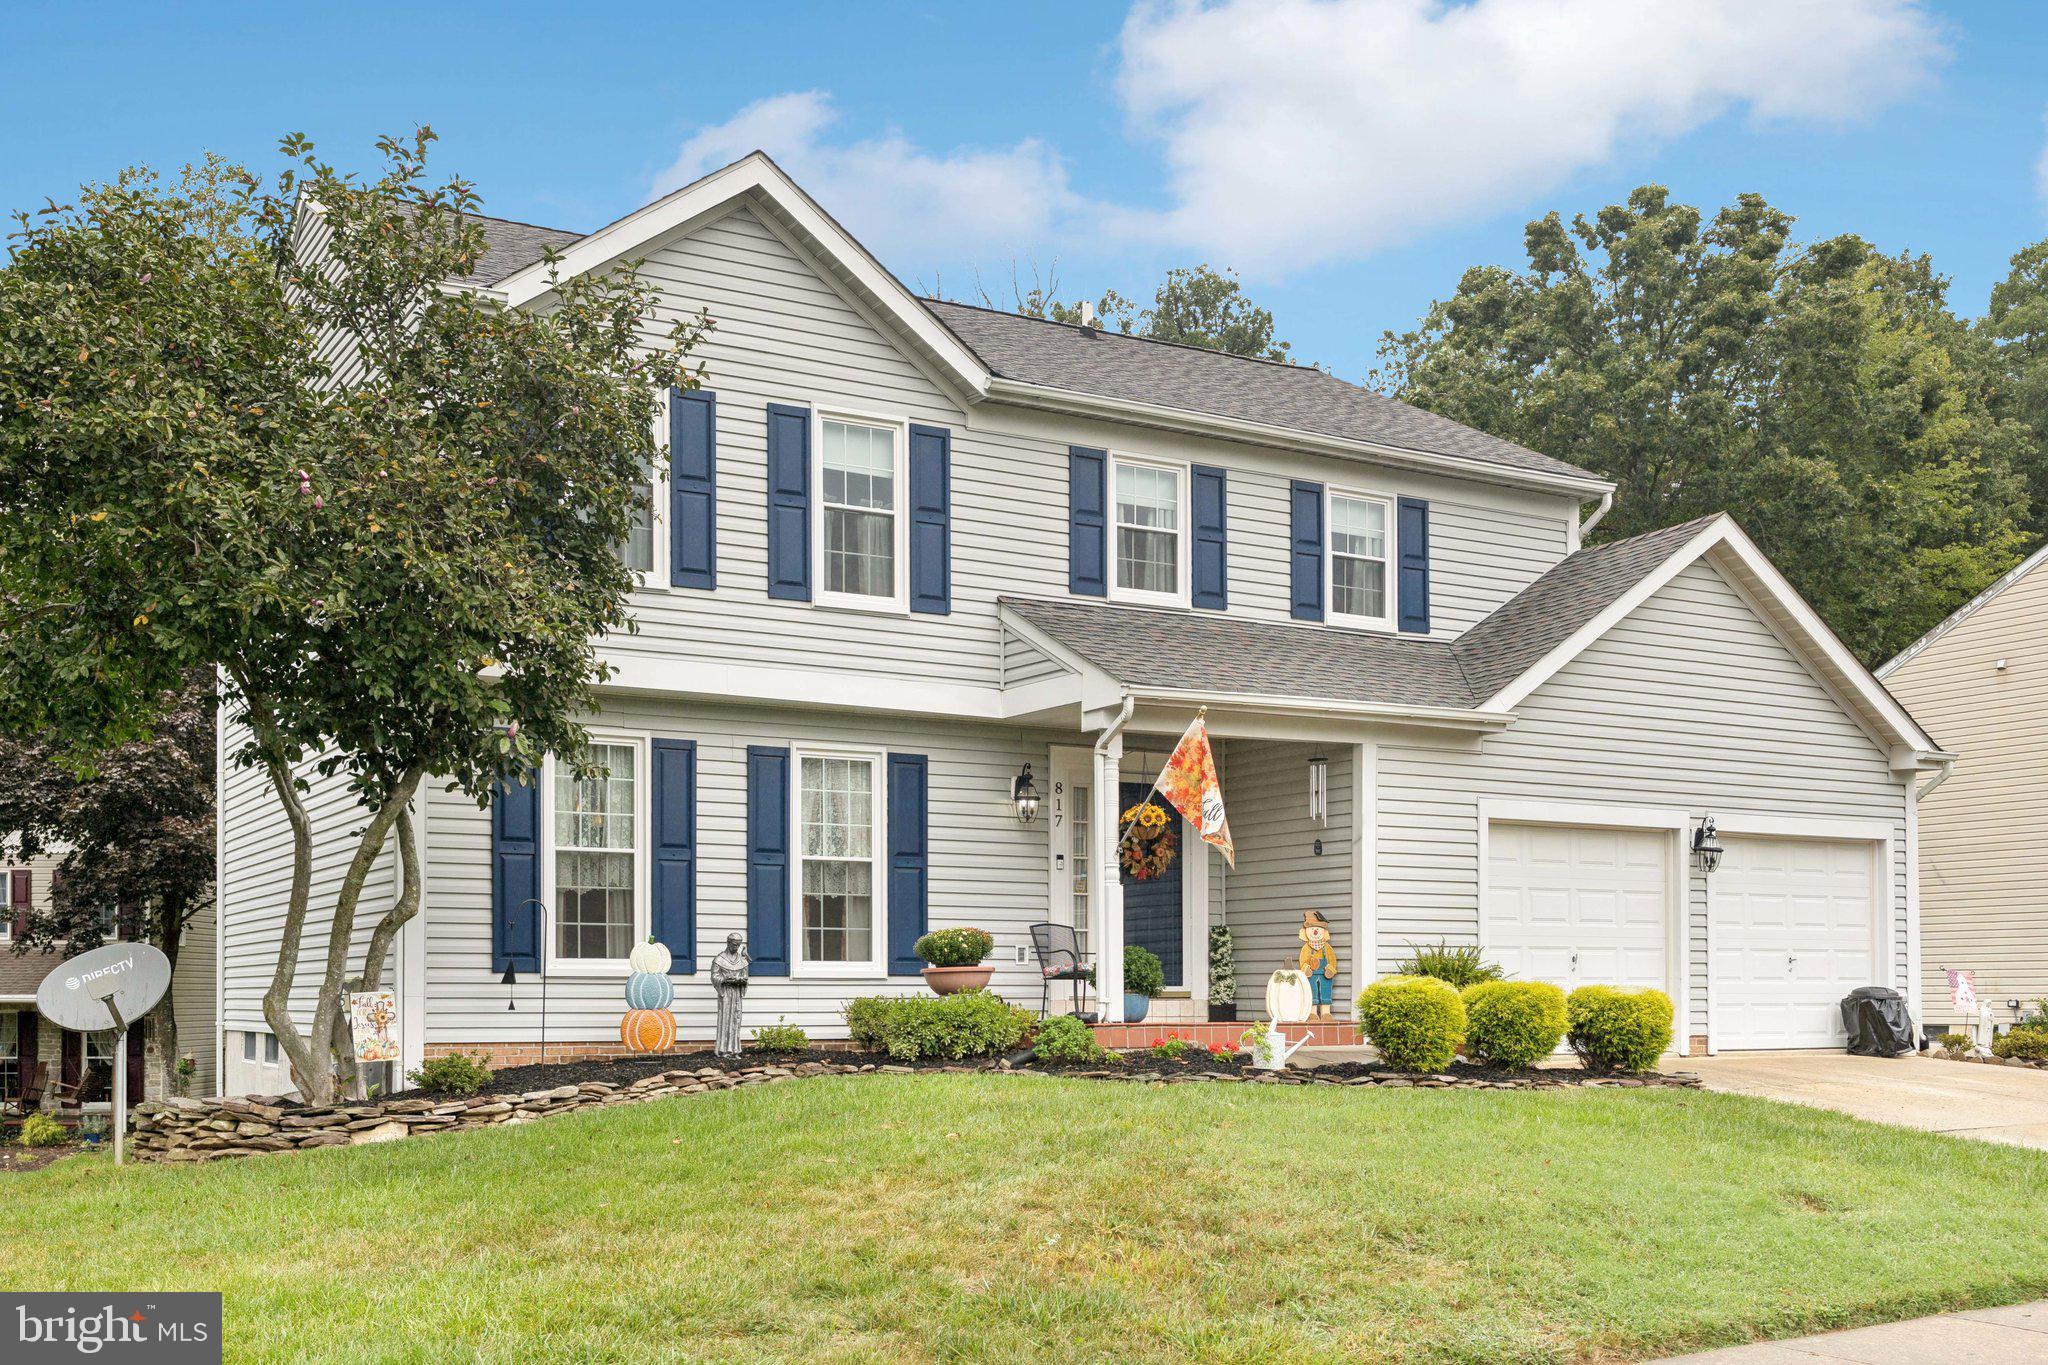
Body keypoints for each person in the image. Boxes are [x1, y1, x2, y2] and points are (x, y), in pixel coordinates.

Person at [711, 933, 750, 1058]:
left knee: (736, 1020)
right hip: (726, 993)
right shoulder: (719, 959)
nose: (736, 947)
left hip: (737, 993)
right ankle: (723, 1049)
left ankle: (735, 1050)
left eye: (738, 945)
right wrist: (725, 980)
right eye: (734, 945)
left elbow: (745, 976)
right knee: (725, 1019)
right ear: (728, 943)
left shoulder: (742, 960)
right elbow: (714, 976)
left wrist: (741, 980)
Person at [1298, 910, 1338, 1021]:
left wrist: (1330, 969)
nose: (1315, 931)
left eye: (1318, 929)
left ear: (1323, 931)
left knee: (1326, 992)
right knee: (1312, 992)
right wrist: (1306, 969)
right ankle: (1313, 1013)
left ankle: (1326, 1013)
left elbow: (1332, 960)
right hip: (1311, 975)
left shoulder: (1327, 947)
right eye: (1312, 929)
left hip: (1325, 975)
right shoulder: (1306, 948)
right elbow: (1303, 960)